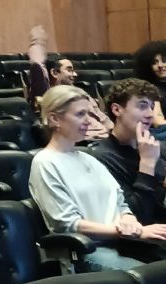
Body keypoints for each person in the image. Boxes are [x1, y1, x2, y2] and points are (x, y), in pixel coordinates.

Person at [28, 84, 165, 271]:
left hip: (124, 242)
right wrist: (132, 231)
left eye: (89, 114)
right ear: (55, 119)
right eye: (80, 114)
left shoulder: (88, 158)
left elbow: (121, 204)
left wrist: (129, 221)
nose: (88, 121)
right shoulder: (45, 162)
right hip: (89, 249)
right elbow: (67, 224)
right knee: (154, 276)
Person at [90, 77, 166, 225]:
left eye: (151, 107)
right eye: (142, 106)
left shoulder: (152, 146)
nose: (150, 114)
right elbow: (136, 217)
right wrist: (147, 165)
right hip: (144, 233)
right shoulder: (101, 158)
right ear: (117, 110)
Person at [26, 24, 77, 107]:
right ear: (55, 73)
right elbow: (37, 67)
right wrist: (37, 43)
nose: (75, 74)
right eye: (69, 70)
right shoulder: (47, 96)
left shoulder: (76, 93)